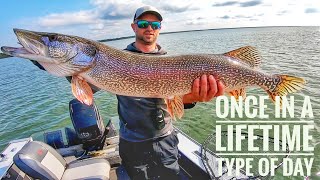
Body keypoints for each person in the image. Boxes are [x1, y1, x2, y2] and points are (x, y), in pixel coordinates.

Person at [117, 5, 225, 180]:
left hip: (165, 139)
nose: (150, 28)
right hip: (132, 142)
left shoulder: (171, 61)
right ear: (134, 26)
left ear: (160, 28)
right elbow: (89, 84)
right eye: (144, 23)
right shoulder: (118, 59)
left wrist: (195, 97)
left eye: (155, 25)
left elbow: (181, 99)